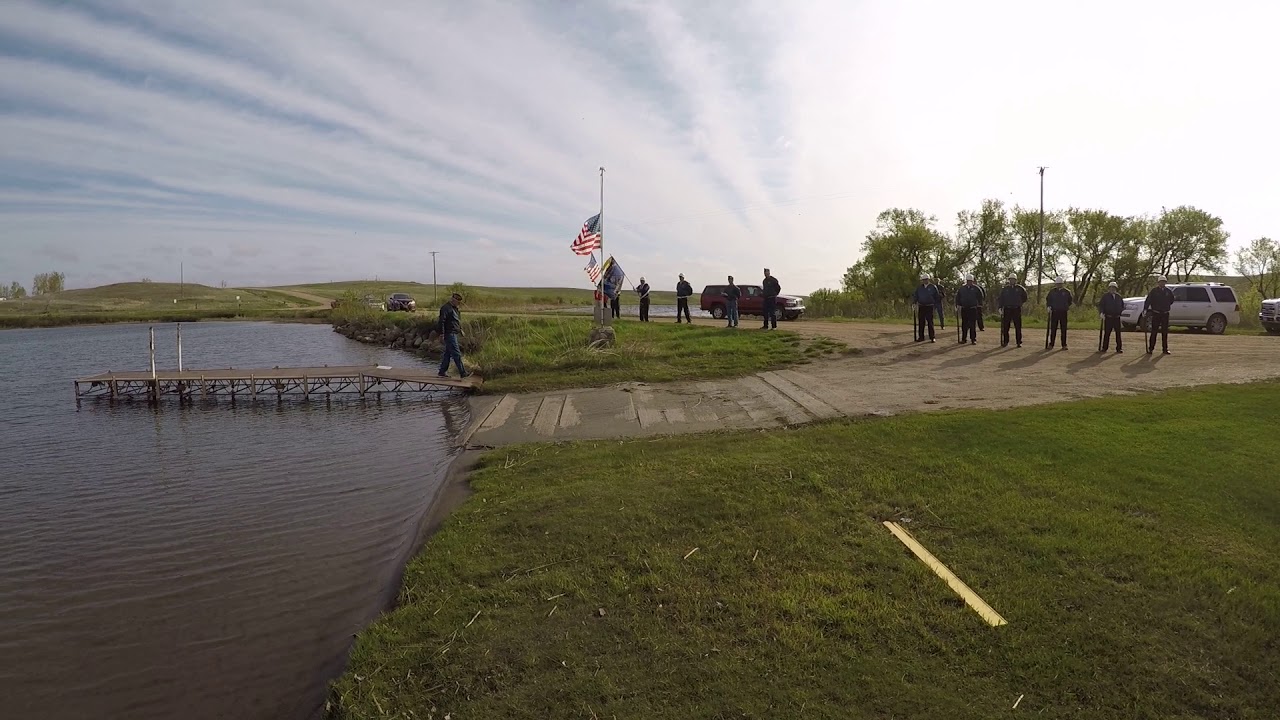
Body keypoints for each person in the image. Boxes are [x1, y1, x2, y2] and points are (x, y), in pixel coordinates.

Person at [436, 292, 469, 378]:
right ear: (453, 299)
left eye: (458, 302)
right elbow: (441, 322)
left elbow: (457, 321)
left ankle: (442, 371)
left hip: (454, 332)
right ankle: (463, 373)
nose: (457, 303)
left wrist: (461, 329)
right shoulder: (445, 308)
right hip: (449, 333)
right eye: (456, 300)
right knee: (456, 353)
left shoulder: (455, 309)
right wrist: (442, 334)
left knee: (448, 353)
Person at [1144, 275, 1175, 355]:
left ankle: (1165, 349)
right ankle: (1151, 348)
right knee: (1154, 332)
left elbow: (1172, 300)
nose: (1162, 283)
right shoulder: (1154, 291)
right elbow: (1148, 301)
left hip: (1165, 313)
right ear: (1158, 282)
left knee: (1164, 332)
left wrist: (1166, 306)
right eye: (1161, 282)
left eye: (1164, 282)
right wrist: (1145, 309)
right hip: (1156, 313)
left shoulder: (1168, 291)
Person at [997, 275, 1028, 347]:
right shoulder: (1005, 289)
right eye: (1010, 279)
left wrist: (1019, 303)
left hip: (1016, 309)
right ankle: (1006, 341)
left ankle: (1018, 342)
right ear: (1009, 280)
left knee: (1018, 326)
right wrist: (1000, 307)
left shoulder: (1020, 288)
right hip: (1007, 309)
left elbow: (1025, 297)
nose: (1012, 281)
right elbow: (1001, 299)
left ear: (1015, 280)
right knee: (1006, 326)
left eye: (1013, 279)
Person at [955, 274, 985, 345]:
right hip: (964, 308)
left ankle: (973, 339)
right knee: (964, 324)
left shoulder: (976, 288)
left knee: (972, 325)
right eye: (968, 281)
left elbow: (981, 296)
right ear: (966, 281)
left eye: (970, 281)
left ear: (972, 281)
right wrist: (957, 305)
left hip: (973, 308)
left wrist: (979, 304)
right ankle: (964, 339)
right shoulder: (962, 289)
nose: (969, 282)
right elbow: (958, 297)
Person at [1097, 281, 1125, 353]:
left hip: (1117, 317)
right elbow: (1101, 305)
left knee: (1118, 333)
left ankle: (1119, 348)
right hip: (1108, 317)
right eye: (1111, 287)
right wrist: (1101, 313)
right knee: (1107, 333)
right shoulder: (1105, 296)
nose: (1112, 289)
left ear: (1116, 288)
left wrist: (1120, 312)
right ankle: (1104, 348)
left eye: (1114, 288)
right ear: (1109, 288)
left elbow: (1122, 306)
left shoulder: (1119, 297)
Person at [1046, 276, 1072, 349]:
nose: (1058, 285)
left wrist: (1065, 306)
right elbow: (1048, 300)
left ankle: (1064, 344)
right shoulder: (1052, 292)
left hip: (1063, 312)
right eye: (1057, 284)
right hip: (1054, 312)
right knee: (1053, 329)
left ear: (1062, 284)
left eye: (1060, 284)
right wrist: (1049, 306)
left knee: (1063, 329)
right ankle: (1051, 344)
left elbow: (1070, 301)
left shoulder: (1067, 292)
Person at [911, 274, 936, 342]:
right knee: (921, 322)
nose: (925, 281)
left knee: (930, 322)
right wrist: (914, 302)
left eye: (926, 279)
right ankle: (921, 337)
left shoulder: (933, 287)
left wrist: (935, 303)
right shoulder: (919, 288)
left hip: (929, 306)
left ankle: (932, 337)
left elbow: (936, 296)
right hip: (921, 306)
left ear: (928, 279)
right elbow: (916, 296)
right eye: (924, 280)